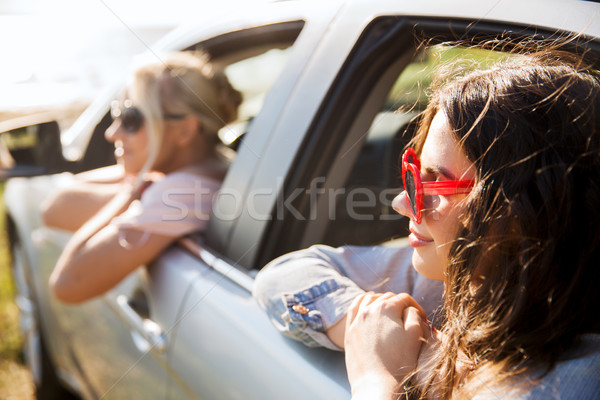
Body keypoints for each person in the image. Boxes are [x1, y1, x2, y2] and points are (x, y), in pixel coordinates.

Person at [254, 45, 600, 399]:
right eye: (413, 176)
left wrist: (379, 379)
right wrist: (372, 328)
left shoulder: (562, 384)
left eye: (433, 185)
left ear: (526, 209)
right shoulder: (466, 278)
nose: (402, 202)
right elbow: (282, 276)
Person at [44, 51, 242, 304]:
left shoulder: (180, 191)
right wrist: (143, 177)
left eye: (130, 118)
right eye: (117, 113)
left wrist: (134, 192)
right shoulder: (218, 167)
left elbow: (67, 284)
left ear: (185, 130)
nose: (112, 133)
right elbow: (54, 206)